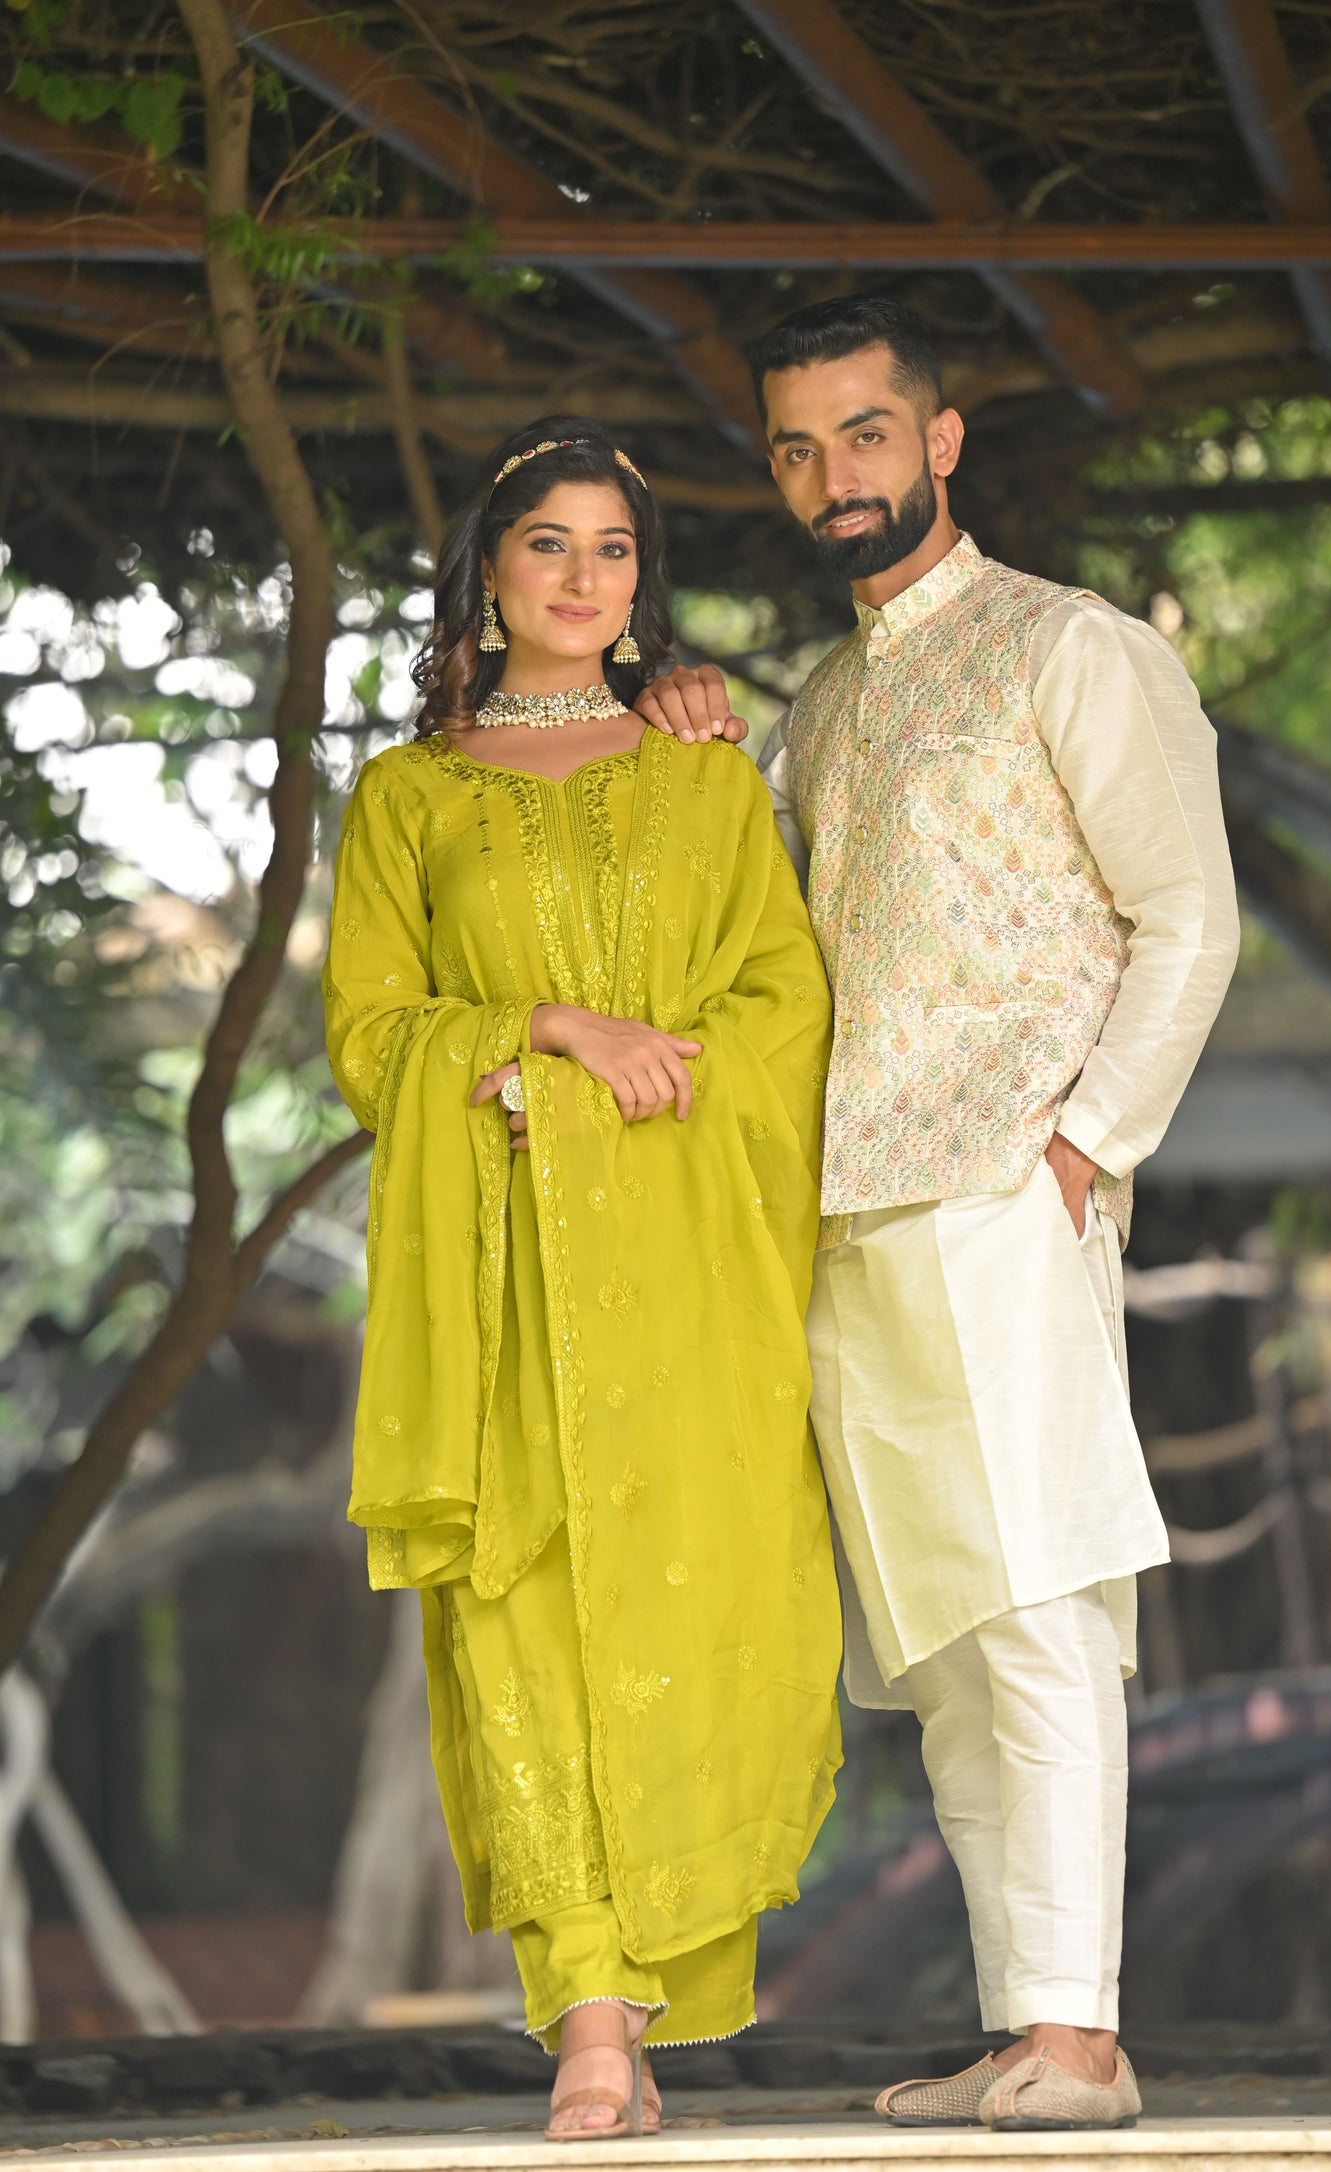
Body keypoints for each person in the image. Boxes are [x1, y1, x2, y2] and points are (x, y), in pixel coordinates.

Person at [637, 296, 1240, 2131]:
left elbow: (1187, 918)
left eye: (866, 435)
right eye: (798, 448)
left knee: (1039, 1603)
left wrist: (1085, 1146)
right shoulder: (823, 707)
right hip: (849, 1218)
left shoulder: (1072, 647)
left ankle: (1083, 2040)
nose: (835, 476)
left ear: (940, 440)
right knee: (946, 1646)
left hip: (1003, 1194)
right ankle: (1026, 2025)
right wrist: (691, 739)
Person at [323, 418, 841, 2140]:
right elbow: (372, 1036)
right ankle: (589, 2023)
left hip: (687, 1276)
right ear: (488, 571)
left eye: (611, 549)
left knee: (689, 1604)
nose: (579, 575)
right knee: (524, 1615)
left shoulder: (704, 773)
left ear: (641, 584)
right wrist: (553, 1031)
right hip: (504, 1280)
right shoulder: (408, 796)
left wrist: (652, 1083)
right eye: (546, 542)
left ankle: (656, 1984)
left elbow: (780, 1009)